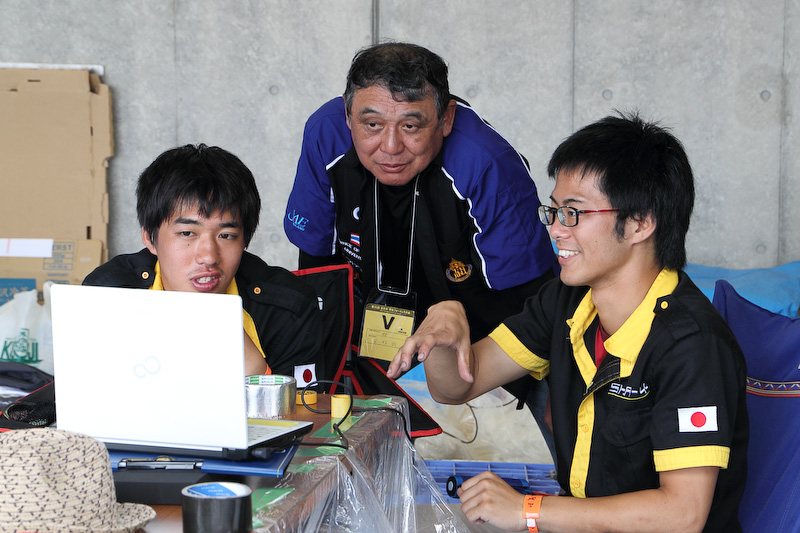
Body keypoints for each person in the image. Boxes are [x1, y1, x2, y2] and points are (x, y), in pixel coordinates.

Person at [388, 113, 749, 532]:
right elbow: (456, 387)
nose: (556, 231)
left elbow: (681, 516)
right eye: (553, 211)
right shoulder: (567, 300)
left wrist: (528, 510)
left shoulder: (691, 343)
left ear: (640, 222)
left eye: (574, 213)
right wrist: (444, 326)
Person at [284, 41, 557, 440]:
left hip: (480, 321)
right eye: (372, 125)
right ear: (347, 114)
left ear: (445, 118)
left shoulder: (486, 162)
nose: (390, 147)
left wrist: (540, 395)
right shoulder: (325, 134)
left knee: (522, 440)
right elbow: (316, 266)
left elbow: (529, 299)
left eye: (411, 126)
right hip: (373, 314)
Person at [84, 144, 324, 381]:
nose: (209, 256)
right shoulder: (107, 295)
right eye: (187, 233)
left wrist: (231, 339)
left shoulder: (288, 308)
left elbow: (302, 414)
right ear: (150, 237)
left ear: (245, 240)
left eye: (226, 236)